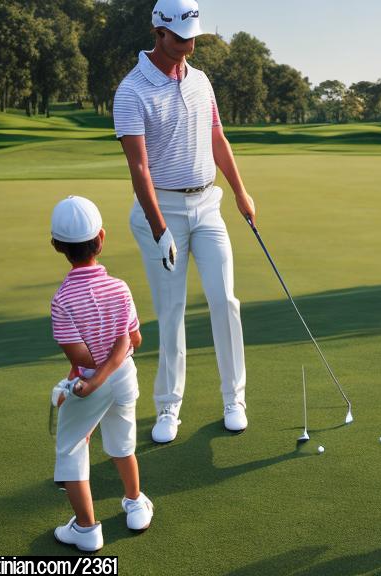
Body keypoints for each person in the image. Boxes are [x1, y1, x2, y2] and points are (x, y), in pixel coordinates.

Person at [114, 0, 253, 443]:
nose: (189, 46)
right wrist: (159, 230)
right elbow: (140, 170)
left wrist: (240, 191)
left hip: (206, 206)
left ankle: (235, 398)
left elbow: (217, 138)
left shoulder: (201, 80)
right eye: (180, 39)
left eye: (193, 37)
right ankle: (169, 408)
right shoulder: (132, 90)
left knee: (225, 301)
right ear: (158, 33)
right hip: (163, 212)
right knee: (171, 313)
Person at [49, 196, 153, 552]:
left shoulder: (62, 299)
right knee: (122, 443)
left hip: (94, 383)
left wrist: (89, 382)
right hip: (125, 376)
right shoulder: (120, 287)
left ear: (57, 246)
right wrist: (114, 355)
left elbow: (82, 358)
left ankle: (86, 528)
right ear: (102, 238)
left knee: (71, 449)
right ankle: (135, 502)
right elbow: (134, 339)